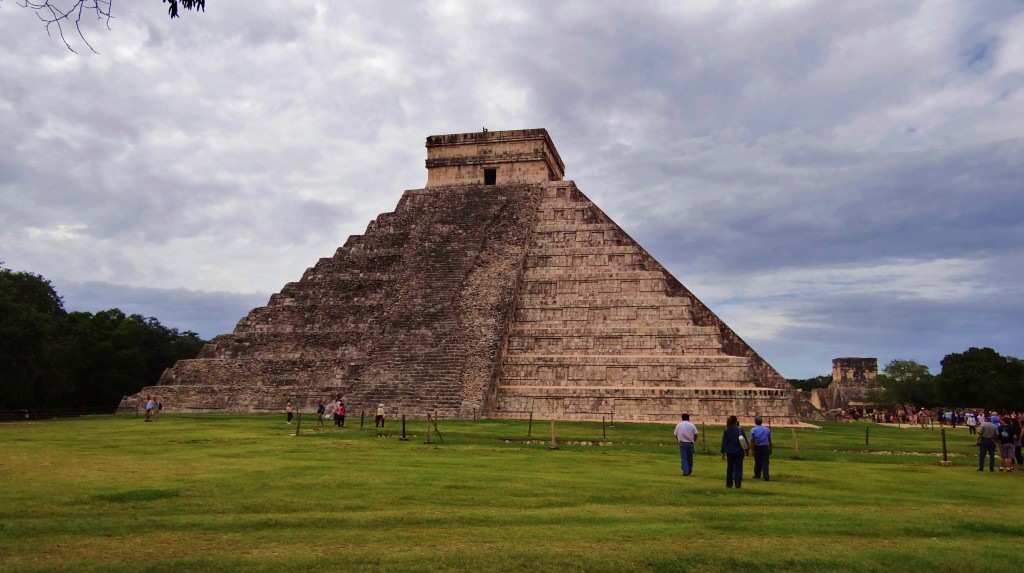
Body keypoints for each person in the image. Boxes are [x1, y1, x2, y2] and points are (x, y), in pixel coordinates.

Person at [720, 415, 748, 489]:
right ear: (736, 421)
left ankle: (729, 484)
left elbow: (724, 442)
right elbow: (744, 440)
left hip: (730, 452)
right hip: (739, 451)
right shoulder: (740, 429)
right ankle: (738, 484)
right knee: (738, 468)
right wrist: (747, 449)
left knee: (730, 468)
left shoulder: (726, 430)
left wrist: (723, 451)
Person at [750, 416, 772, 481]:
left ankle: (757, 474)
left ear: (755, 422)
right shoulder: (767, 429)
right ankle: (766, 475)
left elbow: (752, 441)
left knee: (757, 461)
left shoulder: (753, 430)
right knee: (765, 462)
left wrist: (752, 449)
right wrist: (770, 448)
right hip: (765, 447)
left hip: (757, 447)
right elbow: (769, 440)